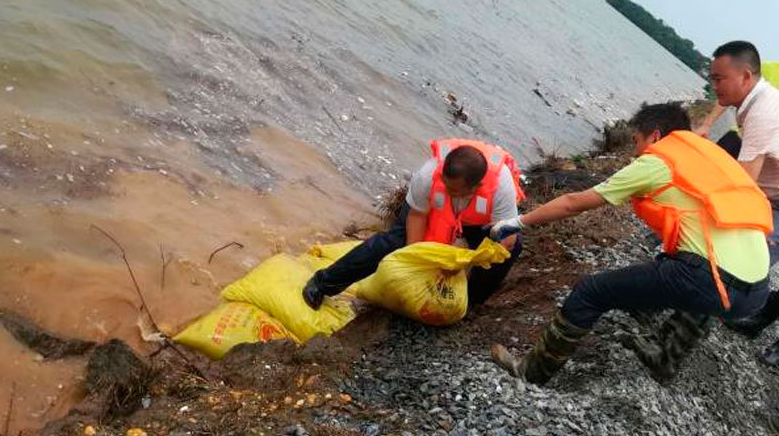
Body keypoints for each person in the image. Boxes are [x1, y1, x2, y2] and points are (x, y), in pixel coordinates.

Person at [489, 103, 772, 386]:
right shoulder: (707, 156)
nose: (635, 152)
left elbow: (573, 203)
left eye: (636, 141)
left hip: (712, 284)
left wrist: (517, 222)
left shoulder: (658, 162)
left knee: (591, 291)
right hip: (756, 292)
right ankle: (664, 359)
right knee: (693, 275)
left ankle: (531, 373)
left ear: (655, 136)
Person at [302, 139, 524, 310]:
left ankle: (469, 305)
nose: (447, 191)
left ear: (476, 187)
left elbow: (507, 238)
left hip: (478, 223)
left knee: (509, 252)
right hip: (431, 212)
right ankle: (323, 283)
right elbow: (417, 215)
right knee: (393, 241)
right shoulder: (428, 175)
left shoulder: (500, 187)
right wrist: (415, 259)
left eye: (454, 190)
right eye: (445, 185)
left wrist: (466, 260)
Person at [704, 42, 779, 365]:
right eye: (712, 78)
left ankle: (674, 343)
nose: (713, 86)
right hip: (769, 192)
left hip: (773, 199)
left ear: (746, 77)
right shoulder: (754, 99)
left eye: (719, 79)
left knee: (735, 264)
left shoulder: (764, 111)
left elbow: (742, 186)